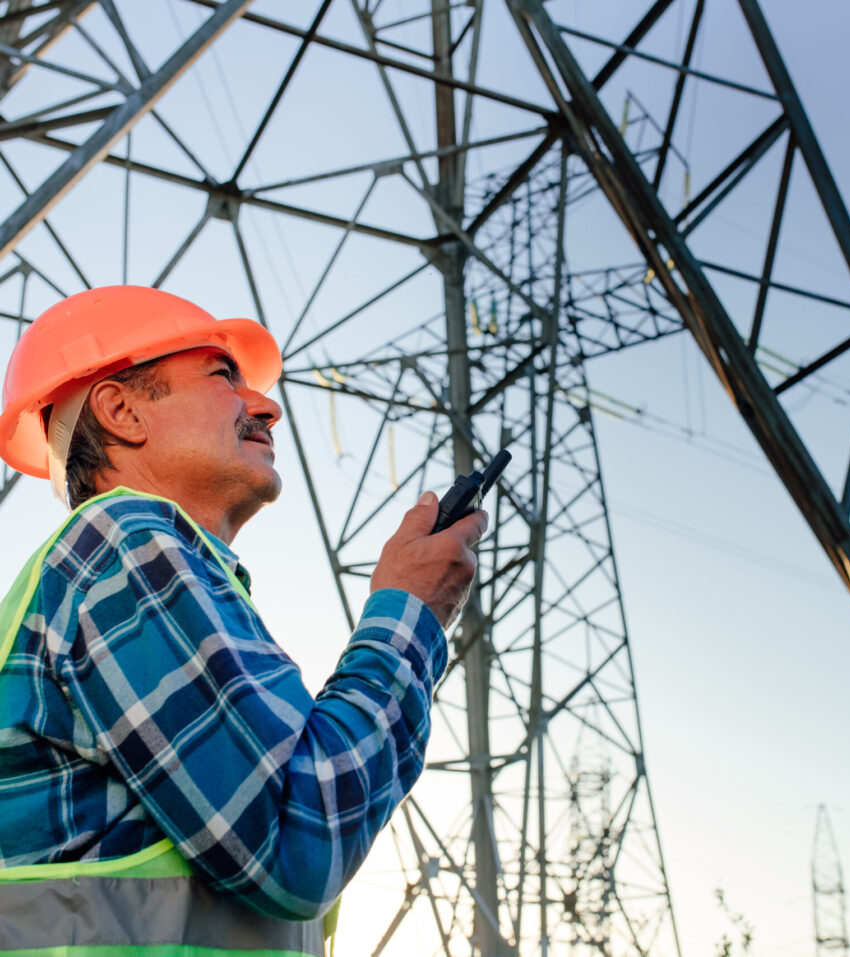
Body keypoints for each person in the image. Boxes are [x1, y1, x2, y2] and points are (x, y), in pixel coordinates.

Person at [0, 285, 487, 956]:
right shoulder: (125, 544)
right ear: (121, 410)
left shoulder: (133, 567)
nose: (266, 405)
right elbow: (297, 843)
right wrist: (409, 614)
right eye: (223, 375)